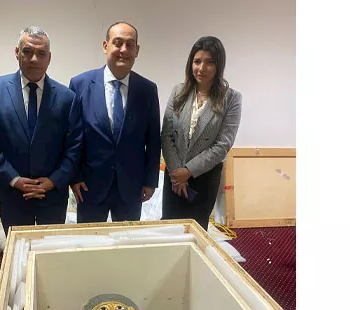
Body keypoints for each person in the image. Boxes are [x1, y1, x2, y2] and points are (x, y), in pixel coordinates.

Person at [0, 26, 83, 234]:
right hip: (12, 194)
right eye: (27, 51)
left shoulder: (67, 98)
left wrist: (53, 181)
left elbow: (75, 146)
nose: (34, 59)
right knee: (17, 248)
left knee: (51, 248)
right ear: (17, 52)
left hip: (52, 195)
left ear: (49, 58)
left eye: (41, 53)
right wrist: (14, 179)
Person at [68, 21, 161, 223]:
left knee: (127, 240)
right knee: (90, 239)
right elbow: (73, 137)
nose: (123, 50)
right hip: (89, 186)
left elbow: (153, 140)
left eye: (130, 45)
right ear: (105, 46)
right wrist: (75, 177)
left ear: (137, 50)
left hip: (131, 186)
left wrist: (150, 181)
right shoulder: (80, 84)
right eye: (118, 43)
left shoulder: (147, 90)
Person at [160, 36, 242, 230]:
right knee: (169, 226)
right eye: (197, 61)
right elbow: (167, 134)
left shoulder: (231, 98)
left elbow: (223, 145)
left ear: (219, 65)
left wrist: (188, 171)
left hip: (204, 176)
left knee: (196, 229)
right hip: (174, 174)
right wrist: (177, 172)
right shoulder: (178, 92)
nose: (201, 68)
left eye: (209, 62)